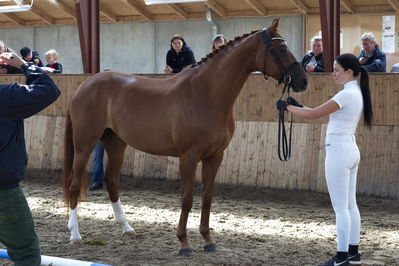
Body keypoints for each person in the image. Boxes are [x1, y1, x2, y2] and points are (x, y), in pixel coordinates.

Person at [277, 53, 373, 266]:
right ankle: (353, 254)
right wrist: (299, 107)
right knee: (350, 205)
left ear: (349, 71)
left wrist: (288, 108)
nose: (333, 74)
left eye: (337, 70)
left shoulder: (346, 95)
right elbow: (322, 116)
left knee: (341, 208)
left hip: (339, 150)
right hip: (349, 149)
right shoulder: (355, 93)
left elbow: (315, 115)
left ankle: (340, 257)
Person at [0, 52, 61, 265]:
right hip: (4, 193)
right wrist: (25, 65)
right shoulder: (6, 95)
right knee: (26, 252)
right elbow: (48, 90)